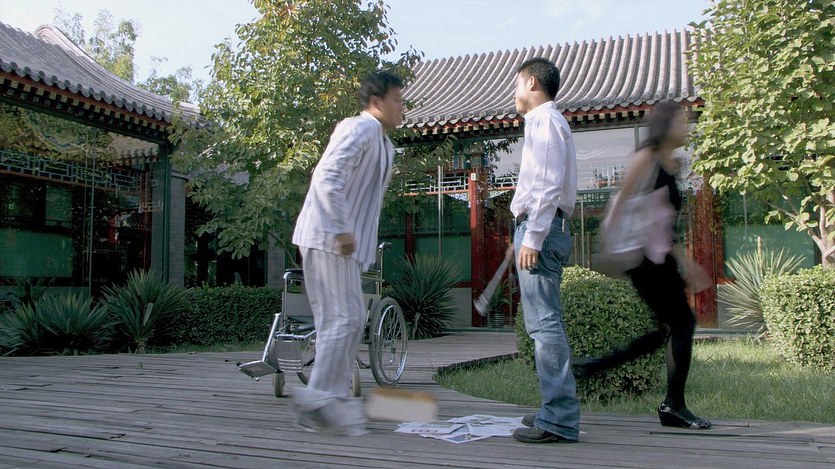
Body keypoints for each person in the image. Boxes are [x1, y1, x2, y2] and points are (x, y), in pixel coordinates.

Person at [577, 101, 712, 430]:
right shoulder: (646, 159)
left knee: (668, 329)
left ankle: (594, 367)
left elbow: (663, 224)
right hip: (643, 261)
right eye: (681, 121)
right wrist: (608, 253)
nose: (686, 127)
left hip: (661, 258)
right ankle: (673, 405)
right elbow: (618, 206)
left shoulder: (671, 165)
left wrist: (687, 263)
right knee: (682, 323)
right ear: (665, 125)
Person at [291, 70, 404, 436]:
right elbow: (327, 177)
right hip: (328, 236)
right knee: (343, 319)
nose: (402, 107)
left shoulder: (384, 143)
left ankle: (330, 400)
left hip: (342, 244)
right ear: (376, 102)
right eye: (396, 100)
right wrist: (340, 227)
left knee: (349, 319)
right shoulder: (359, 129)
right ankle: (317, 402)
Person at [509, 57, 580, 444]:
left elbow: (549, 184)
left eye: (517, 84)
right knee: (543, 323)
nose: (514, 93)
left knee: (544, 324)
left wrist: (532, 236)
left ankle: (559, 418)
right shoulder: (544, 122)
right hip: (543, 227)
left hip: (543, 228)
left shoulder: (545, 121)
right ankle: (553, 410)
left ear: (532, 83)